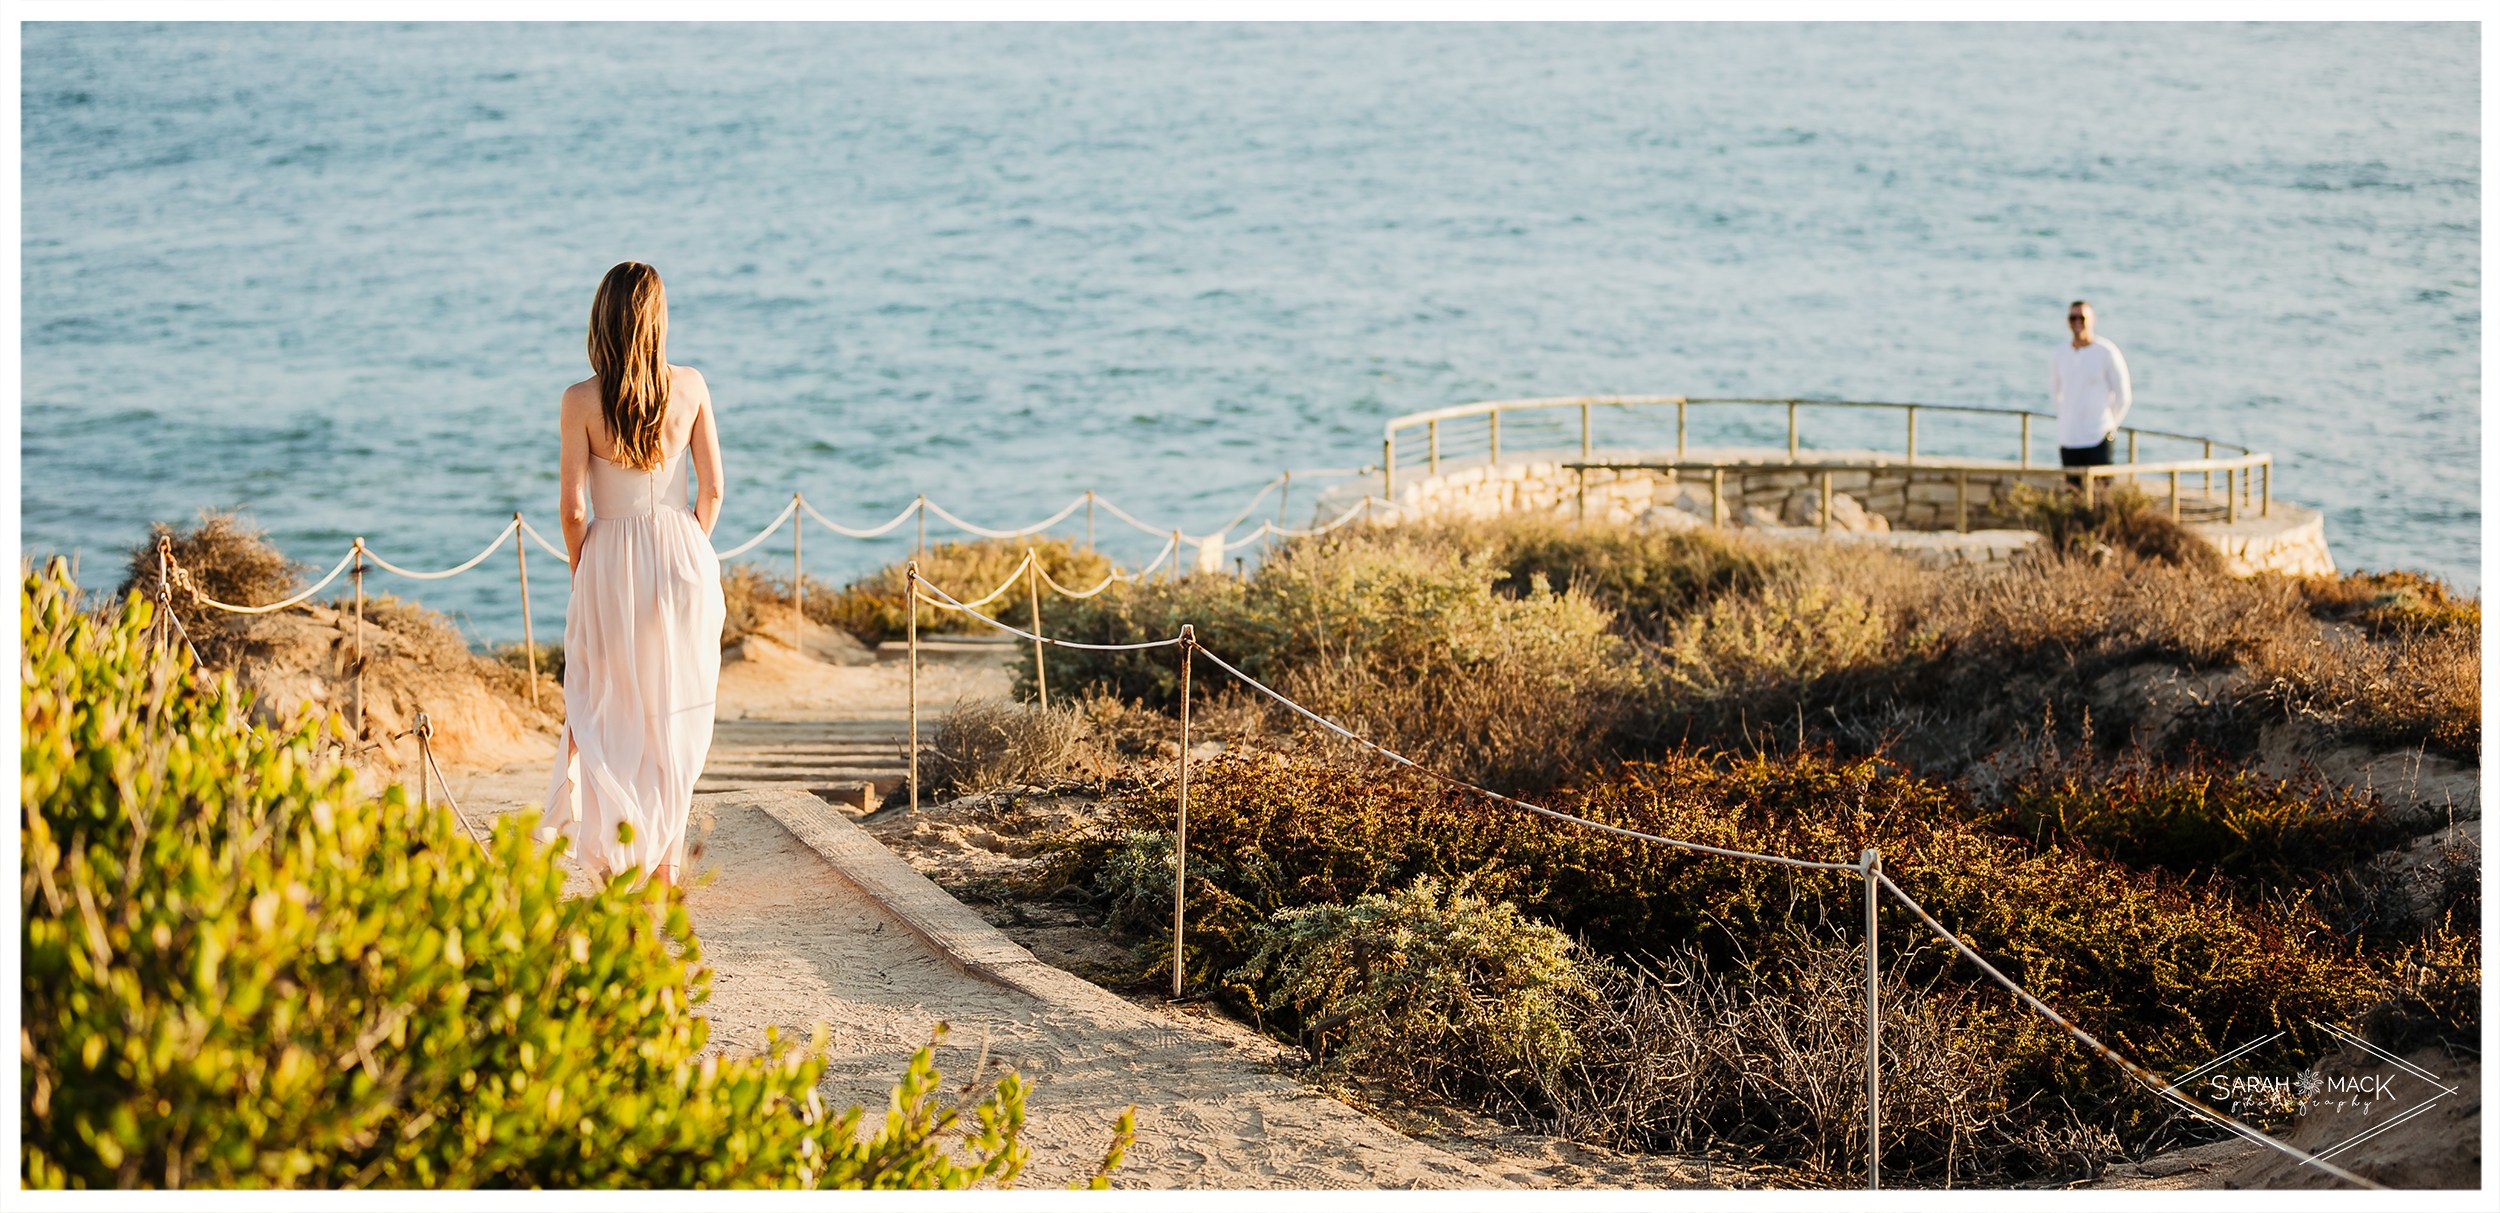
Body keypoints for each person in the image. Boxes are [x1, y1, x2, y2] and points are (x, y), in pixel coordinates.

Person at [541, 262, 727, 889]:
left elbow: (572, 510)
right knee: (673, 711)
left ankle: (617, 855)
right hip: (683, 557)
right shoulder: (693, 386)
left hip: (610, 562)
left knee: (606, 707)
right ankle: (666, 868)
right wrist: (687, 553)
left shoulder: (580, 401)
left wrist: (582, 568)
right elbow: (714, 490)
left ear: (603, 318)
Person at [2050, 299, 2131, 488]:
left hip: (2098, 438)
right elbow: (2055, 393)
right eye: (2073, 317)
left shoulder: (2106, 352)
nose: (2077, 321)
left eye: (2082, 317)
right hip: (2069, 438)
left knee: (2101, 496)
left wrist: (2109, 427)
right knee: (2073, 496)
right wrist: (2067, 419)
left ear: (2092, 320)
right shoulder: (2060, 354)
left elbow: (2123, 396)